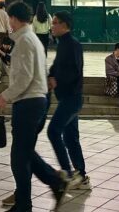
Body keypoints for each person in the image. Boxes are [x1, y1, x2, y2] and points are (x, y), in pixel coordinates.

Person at [0, 1, 69, 212]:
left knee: (19, 155)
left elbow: (25, 77)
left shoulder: (26, 40)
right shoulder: (29, 39)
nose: (9, 22)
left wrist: (5, 96)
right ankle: (45, 188)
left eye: (9, 18)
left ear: (15, 19)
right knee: (24, 153)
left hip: (29, 102)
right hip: (33, 101)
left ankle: (39, 193)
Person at [47, 11, 89, 190]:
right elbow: (57, 66)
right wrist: (51, 75)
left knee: (53, 131)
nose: (52, 26)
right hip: (67, 97)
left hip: (72, 98)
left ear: (64, 25)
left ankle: (68, 173)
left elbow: (74, 71)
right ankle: (81, 175)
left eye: (55, 23)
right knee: (70, 137)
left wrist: (57, 79)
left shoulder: (72, 44)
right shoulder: (63, 44)